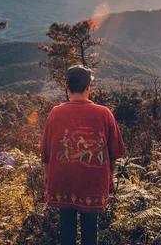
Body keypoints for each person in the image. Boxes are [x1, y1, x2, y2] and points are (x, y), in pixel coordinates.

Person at [40, 65, 126, 245]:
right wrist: (110, 175)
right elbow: (114, 151)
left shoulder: (55, 113)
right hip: (93, 182)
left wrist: (47, 176)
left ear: (66, 86)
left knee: (66, 229)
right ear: (89, 87)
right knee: (90, 230)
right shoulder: (104, 113)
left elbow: (46, 150)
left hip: (63, 181)